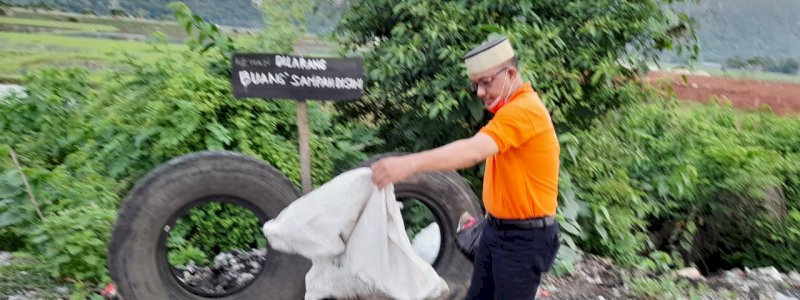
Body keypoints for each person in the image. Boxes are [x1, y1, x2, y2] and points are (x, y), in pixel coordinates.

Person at [370, 36, 561, 299]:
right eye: (476, 85)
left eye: (486, 82)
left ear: (511, 73)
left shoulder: (524, 111)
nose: (480, 93)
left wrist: (409, 164)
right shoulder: (509, 111)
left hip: (523, 240)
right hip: (496, 230)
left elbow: (473, 151)